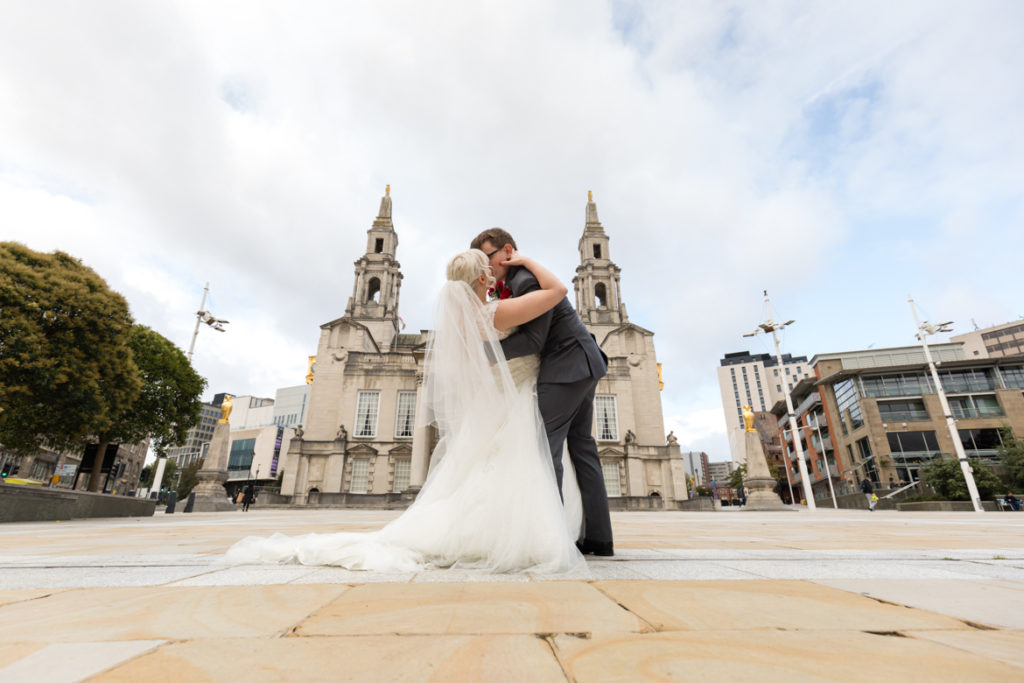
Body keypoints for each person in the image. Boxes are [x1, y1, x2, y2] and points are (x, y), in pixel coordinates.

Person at [226, 249, 585, 574]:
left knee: (490, 470)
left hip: (503, 401)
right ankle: (508, 533)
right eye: (487, 272)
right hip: (516, 399)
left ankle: (487, 531)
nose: (494, 275)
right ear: (479, 278)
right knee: (512, 467)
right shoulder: (495, 313)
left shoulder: (461, 323)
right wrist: (528, 261)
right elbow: (556, 293)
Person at [472, 228, 613, 557]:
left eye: (488, 258)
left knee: (543, 449)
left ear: (507, 251)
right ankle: (599, 539)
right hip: (583, 363)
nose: (487, 267)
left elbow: (534, 341)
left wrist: (484, 354)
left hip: (565, 368)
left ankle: (554, 541)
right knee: (582, 449)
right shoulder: (518, 281)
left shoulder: (526, 281)